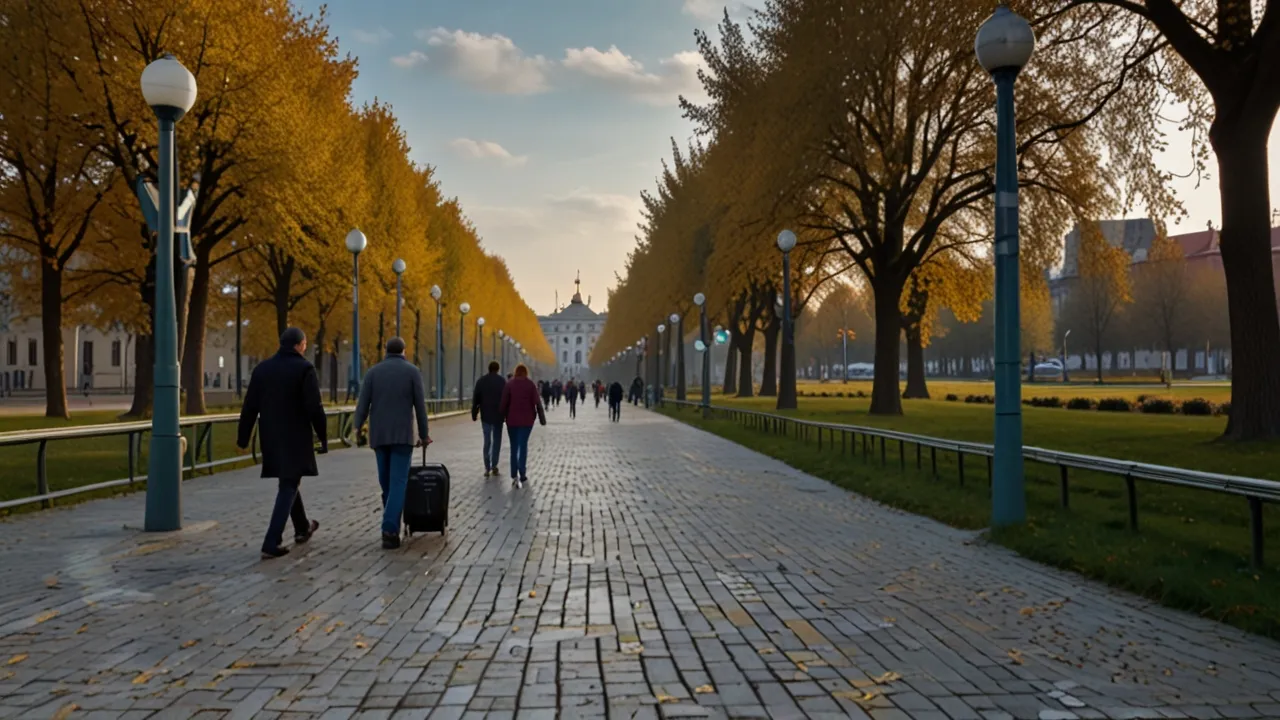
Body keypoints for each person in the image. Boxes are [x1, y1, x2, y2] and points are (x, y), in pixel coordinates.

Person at [237, 327, 327, 559]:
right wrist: (323, 435)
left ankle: (302, 527)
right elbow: (314, 407)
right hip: (296, 435)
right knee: (288, 484)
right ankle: (271, 540)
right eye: (305, 344)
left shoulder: (262, 369)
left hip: (271, 435)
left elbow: (249, 407)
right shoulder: (305, 369)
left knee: (288, 479)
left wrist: (243, 437)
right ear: (300, 345)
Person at [354, 337, 430, 550]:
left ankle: (391, 527)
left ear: (385, 350)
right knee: (398, 482)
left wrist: (356, 427)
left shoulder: (373, 373)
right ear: (404, 351)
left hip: (379, 436)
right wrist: (424, 435)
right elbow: (420, 407)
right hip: (402, 436)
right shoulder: (412, 372)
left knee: (386, 482)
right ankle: (390, 527)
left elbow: (363, 403)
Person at [499, 363, 545, 487]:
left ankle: (514, 473)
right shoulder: (530, 385)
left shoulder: (509, 384)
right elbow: (537, 402)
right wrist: (542, 418)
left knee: (514, 447)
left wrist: (501, 416)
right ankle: (522, 473)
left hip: (512, 420)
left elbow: (504, 402)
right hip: (526, 420)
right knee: (523, 445)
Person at [472, 361, 506, 476]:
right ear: (498, 369)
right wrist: (506, 414)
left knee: (487, 440)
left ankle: (487, 466)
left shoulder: (481, 381)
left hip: (485, 415)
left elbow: (476, 399)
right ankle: (494, 464)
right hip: (498, 416)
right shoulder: (502, 382)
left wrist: (474, 413)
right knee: (497, 440)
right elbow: (506, 399)